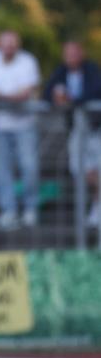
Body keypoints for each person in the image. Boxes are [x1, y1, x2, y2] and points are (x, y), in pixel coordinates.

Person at [0, 31, 41, 231]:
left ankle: (30, 208)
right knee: (2, 170)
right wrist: (9, 98)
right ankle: (9, 210)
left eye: (12, 45)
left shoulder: (28, 61)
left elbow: (25, 93)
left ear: (17, 46)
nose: (9, 49)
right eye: (5, 45)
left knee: (28, 166)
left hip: (24, 125)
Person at [44, 40, 101, 226]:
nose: (71, 58)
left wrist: (70, 99)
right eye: (68, 54)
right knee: (80, 168)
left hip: (95, 127)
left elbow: (93, 92)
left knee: (97, 167)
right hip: (76, 127)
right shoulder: (61, 71)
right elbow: (47, 93)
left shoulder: (92, 70)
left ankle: (97, 208)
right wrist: (56, 97)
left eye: (74, 54)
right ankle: (96, 204)